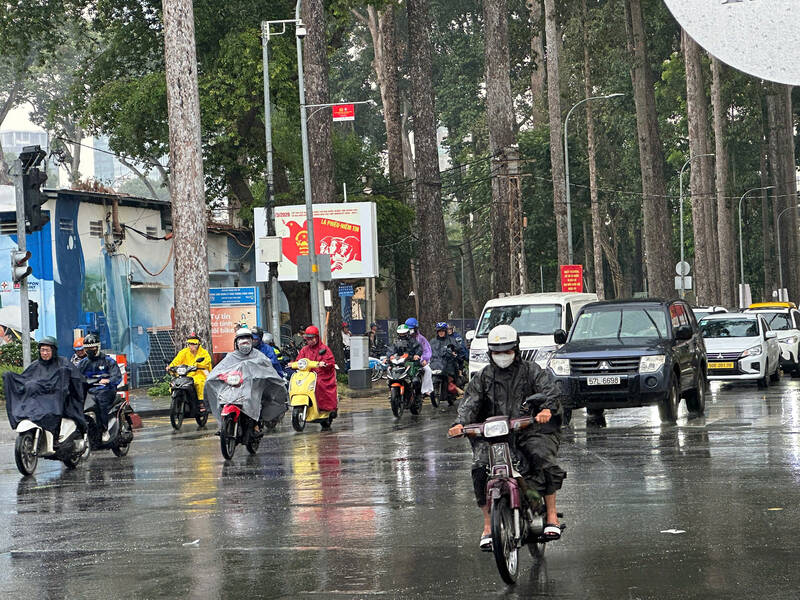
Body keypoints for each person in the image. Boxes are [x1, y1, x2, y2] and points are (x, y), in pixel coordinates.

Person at [448, 324, 566, 551]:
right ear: (490, 353)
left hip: (530, 430)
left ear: (516, 349)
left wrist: (546, 410)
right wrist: (460, 423)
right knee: (479, 467)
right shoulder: (483, 377)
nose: (502, 355)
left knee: (542, 457)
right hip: (493, 435)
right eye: (497, 351)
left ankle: (551, 515)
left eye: (507, 350)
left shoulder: (531, 371)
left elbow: (549, 391)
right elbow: (470, 402)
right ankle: (487, 525)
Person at [3, 337, 86, 452]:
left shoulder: (63, 363)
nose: (45, 353)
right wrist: (9, 378)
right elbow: (24, 380)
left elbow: (77, 380)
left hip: (57, 402)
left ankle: (56, 437)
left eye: (47, 350)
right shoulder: (35, 365)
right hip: (38, 404)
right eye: (42, 350)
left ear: (53, 351)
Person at [205, 328, 288, 430]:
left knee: (257, 400)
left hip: (254, 386)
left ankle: (256, 424)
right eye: (241, 339)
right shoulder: (231, 356)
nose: (244, 343)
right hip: (236, 386)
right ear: (236, 342)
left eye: (247, 339)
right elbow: (221, 368)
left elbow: (267, 366)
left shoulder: (258, 355)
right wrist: (219, 376)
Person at [79, 333, 122, 442]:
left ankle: (104, 429)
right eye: (87, 348)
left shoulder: (108, 361)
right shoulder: (83, 363)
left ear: (98, 347)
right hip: (89, 391)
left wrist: (108, 381)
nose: (90, 350)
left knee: (101, 400)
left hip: (105, 390)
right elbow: (75, 376)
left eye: (92, 348)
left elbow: (116, 376)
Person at [297, 325, 338, 426]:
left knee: (319, 383)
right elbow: (299, 360)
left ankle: (325, 408)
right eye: (308, 339)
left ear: (316, 337)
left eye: (312, 338)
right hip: (307, 374)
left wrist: (324, 364)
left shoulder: (324, 349)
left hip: (321, 373)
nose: (310, 341)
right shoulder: (304, 350)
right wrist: (293, 364)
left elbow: (330, 362)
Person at [167, 332, 212, 408]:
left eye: (194, 344)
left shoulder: (204, 353)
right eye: (190, 344)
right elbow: (176, 361)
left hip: (199, 373)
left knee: (199, 383)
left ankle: (201, 403)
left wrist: (197, 365)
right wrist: (171, 367)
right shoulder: (183, 352)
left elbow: (206, 362)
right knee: (175, 383)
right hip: (186, 374)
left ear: (198, 344)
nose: (192, 346)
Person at [430, 322, 466, 395]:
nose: (441, 333)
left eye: (442, 331)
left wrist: (454, 352)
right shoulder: (433, 341)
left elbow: (459, 348)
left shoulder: (451, 340)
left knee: (452, 370)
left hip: (448, 362)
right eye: (439, 331)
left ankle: (455, 385)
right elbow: (428, 350)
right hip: (436, 362)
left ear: (445, 331)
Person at [405, 317, 434, 400]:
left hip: (418, 362)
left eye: (411, 329)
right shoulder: (403, 339)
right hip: (405, 362)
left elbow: (427, 351)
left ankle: (424, 390)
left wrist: (423, 359)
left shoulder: (421, 339)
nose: (410, 331)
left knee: (427, 370)